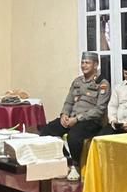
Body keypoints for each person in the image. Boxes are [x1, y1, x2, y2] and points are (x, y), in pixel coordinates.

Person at [39, 53, 111, 181]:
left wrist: (77, 119)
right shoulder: (77, 81)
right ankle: (65, 160)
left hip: (90, 121)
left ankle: (75, 166)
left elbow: (99, 110)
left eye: (87, 63)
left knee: (74, 136)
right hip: (71, 118)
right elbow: (69, 102)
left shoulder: (102, 84)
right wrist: (64, 114)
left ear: (95, 65)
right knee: (46, 131)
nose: (84, 65)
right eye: (82, 62)